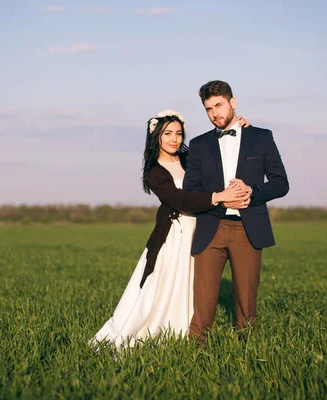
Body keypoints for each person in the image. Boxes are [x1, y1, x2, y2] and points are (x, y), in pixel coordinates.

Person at [90, 109, 251, 350]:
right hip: (174, 234)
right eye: (167, 133)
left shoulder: (189, 158)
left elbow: (218, 152)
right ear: (156, 136)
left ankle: (193, 330)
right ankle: (165, 329)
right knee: (166, 283)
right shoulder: (155, 171)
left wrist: (237, 128)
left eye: (178, 133)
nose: (174, 139)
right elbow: (181, 200)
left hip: (202, 228)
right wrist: (219, 197)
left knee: (197, 283)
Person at [183, 80, 289, 342]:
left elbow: (280, 183)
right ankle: (194, 356)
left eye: (218, 105)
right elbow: (190, 191)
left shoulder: (261, 137)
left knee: (246, 300)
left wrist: (251, 192)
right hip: (211, 228)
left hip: (248, 229)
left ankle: (249, 353)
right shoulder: (198, 145)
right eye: (208, 109)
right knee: (204, 301)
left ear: (233, 102)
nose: (214, 113)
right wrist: (220, 199)